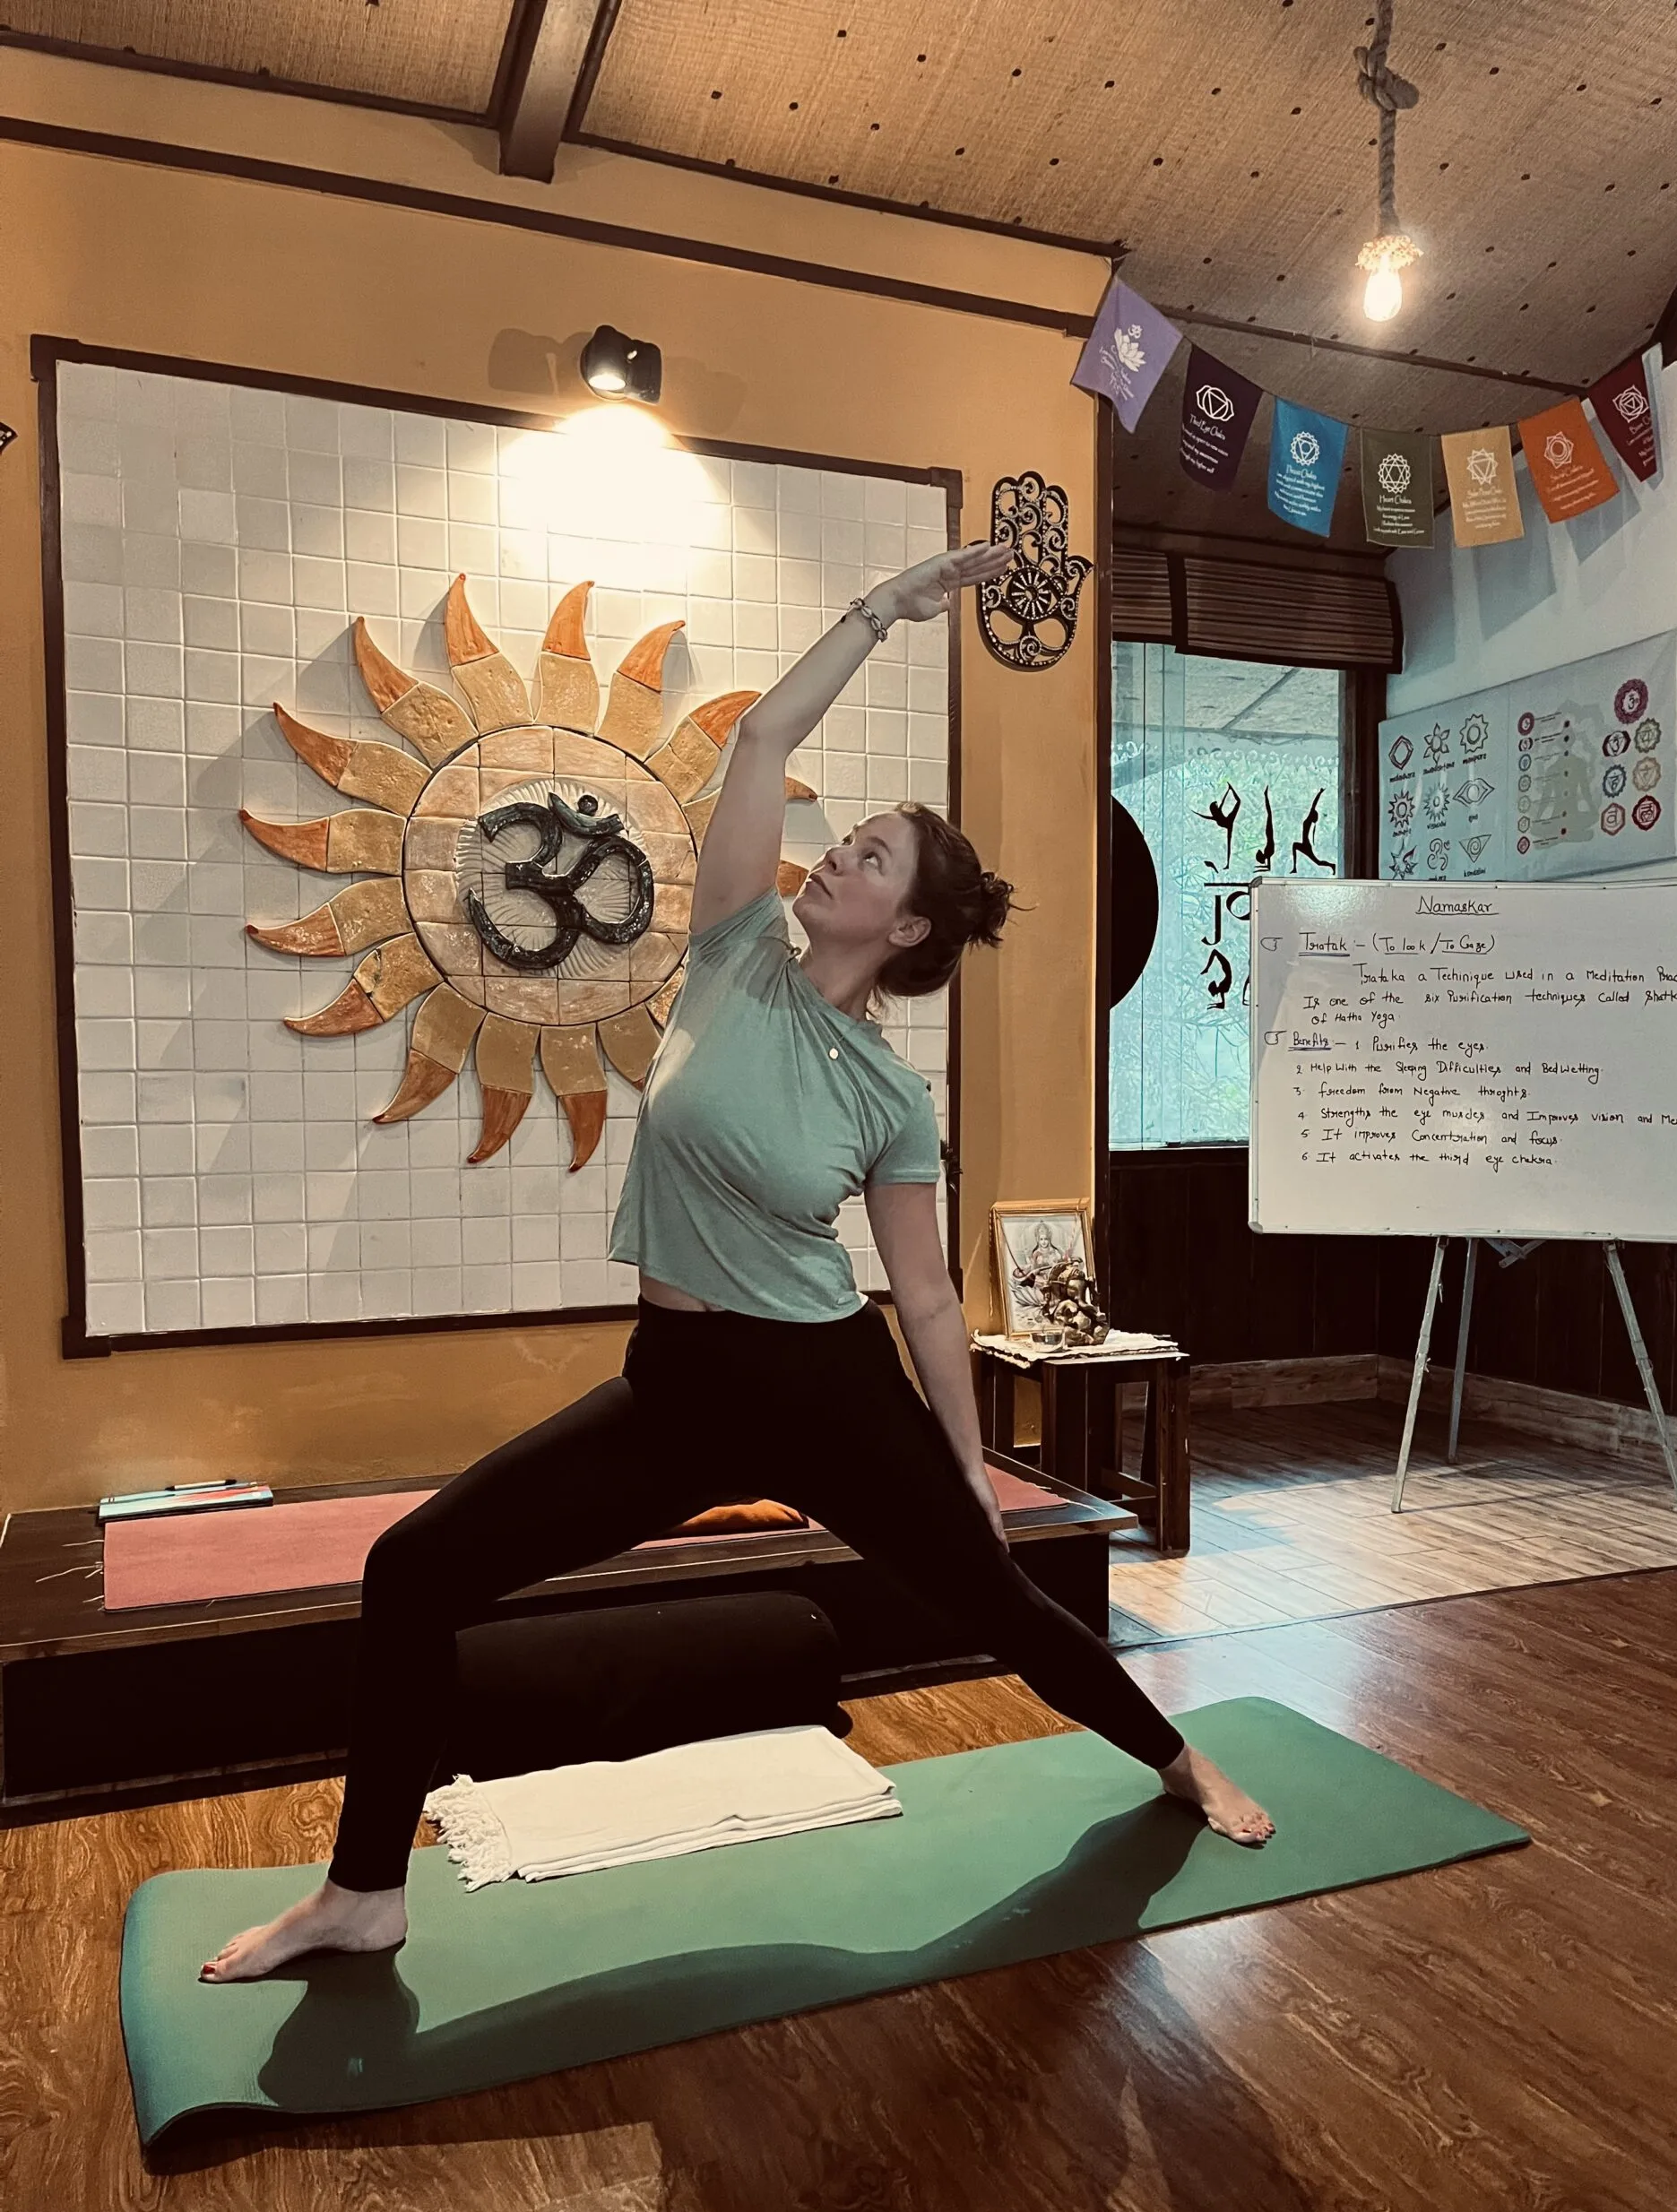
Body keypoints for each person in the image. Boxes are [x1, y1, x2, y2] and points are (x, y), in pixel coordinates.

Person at [202, 541, 1271, 1983]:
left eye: (872, 858)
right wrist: (880, 611)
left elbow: (929, 1294)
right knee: (413, 1570)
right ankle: (363, 1892)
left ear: (905, 929)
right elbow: (763, 736)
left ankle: (1178, 1761)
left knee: (1001, 1603)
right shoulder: (732, 950)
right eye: (852, 840)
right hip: (678, 1384)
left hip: (822, 1386)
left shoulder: (888, 1097)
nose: (839, 856)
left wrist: (968, 1464)